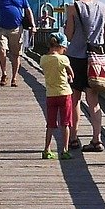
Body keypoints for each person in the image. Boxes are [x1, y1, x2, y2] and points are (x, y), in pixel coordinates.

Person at [62, 0, 105, 151]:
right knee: (94, 100)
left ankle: (74, 137)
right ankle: (96, 139)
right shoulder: (104, 8)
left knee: (74, 98)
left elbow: (68, 35)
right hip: (96, 58)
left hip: (77, 57)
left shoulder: (73, 8)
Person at [34, 30, 75, 160]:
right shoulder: (63, 59)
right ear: (60, 46)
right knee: (65, 123)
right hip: (64, 94)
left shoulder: (43, 59)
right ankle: (65, 150)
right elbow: (71, 74)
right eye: (64, 47)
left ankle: (46, 149)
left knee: (50, 124)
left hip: (50, 95)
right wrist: (69, 77)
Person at [0, 0, 35, 87]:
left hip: (16, 28)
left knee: (16, 54)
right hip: (2, 28)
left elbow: (28, 10)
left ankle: (14, 77)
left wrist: (33, 25)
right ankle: (4, 73)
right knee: (2, 50)